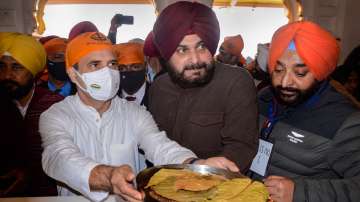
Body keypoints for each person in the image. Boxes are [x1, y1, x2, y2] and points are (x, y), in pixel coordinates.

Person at [39, 31, 239, 202]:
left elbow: (160, 146)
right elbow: (58, 157)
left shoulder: (133, 112)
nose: (107, 72)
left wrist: (196, 165)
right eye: (95, 65)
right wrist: (109, 176)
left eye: (112, 64)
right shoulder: (56, 115)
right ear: (73, 74)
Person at [254, 21, 360, 202]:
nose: (285, 82)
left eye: (300, 73)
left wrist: (299, 192)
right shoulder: (264, 98)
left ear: (321, 73)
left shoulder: (345, 122)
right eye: (278, 70)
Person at [148, 1, 259, 172]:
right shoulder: (158, 87)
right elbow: (154, 142)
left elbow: (240, 148)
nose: (195, 60)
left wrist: (202, 179)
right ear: (166, 54)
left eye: (201, 46)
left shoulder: (235, 82)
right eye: (182, 50)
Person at [0, 32, 63, 196]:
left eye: (16, 67)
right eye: (1, 67)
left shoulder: (56, 105)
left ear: (34, 70)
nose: (7, 75)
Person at [114, 42, 150, 107]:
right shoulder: (110, 98)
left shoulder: (159, 94)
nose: (129, 72)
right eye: (122, 68)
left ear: (145, 67)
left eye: (135, 67)